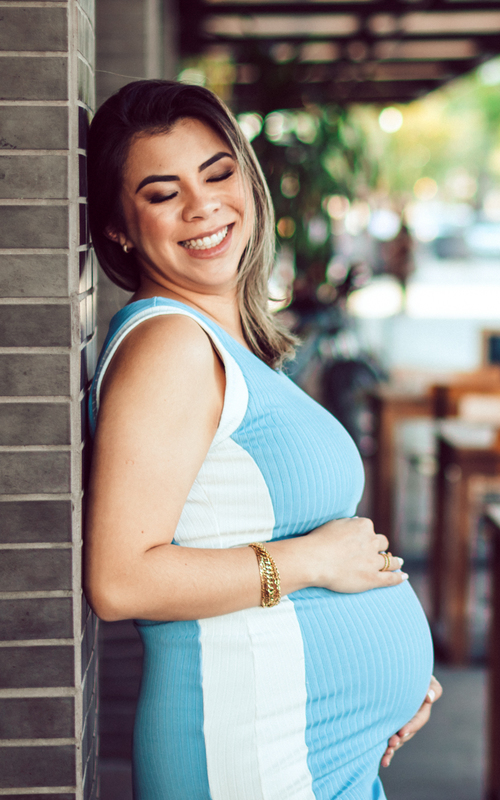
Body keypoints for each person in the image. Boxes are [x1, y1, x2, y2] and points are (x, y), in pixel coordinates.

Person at [84, 80, 439, 798]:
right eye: (162, 193)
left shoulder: (222, 342)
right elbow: (120, 580)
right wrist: (312, 562)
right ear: (120, 227)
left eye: (218, 173)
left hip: (313, 746)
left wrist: (388, 678)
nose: (203, 205)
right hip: (251, 752)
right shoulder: (170, 348)